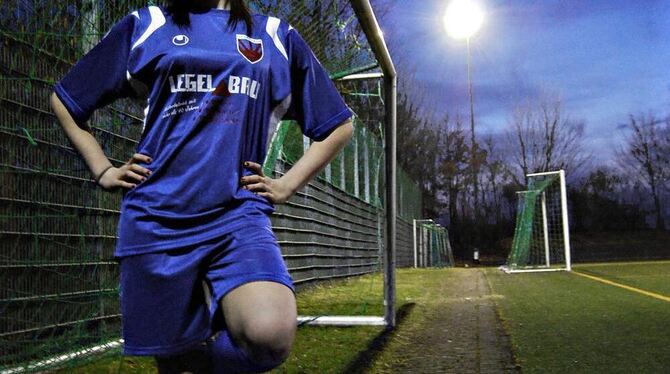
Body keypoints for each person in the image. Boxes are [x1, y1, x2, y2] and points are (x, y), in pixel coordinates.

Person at [50, 0, 354, 372]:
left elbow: (338, 125)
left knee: (270, 335)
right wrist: (102, 169)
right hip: (156, 220)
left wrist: (286, 185)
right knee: (178, 362)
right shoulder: (149, 24)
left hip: (237, 213)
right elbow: (67, 99)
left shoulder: (274, 35)